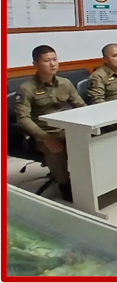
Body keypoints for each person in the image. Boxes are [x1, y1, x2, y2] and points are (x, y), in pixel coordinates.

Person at [14, 46, 87, 202]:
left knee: (88, 142)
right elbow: (22, 118)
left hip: (66, 128)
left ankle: (88, 180)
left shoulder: (65, 83)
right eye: (47, 61)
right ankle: (65, 185)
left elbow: (81, 106)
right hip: (42, 133)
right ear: (35, 64)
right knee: (56, 149)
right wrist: (44, 137)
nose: (53, 64)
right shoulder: (26, 89)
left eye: (54, 59)